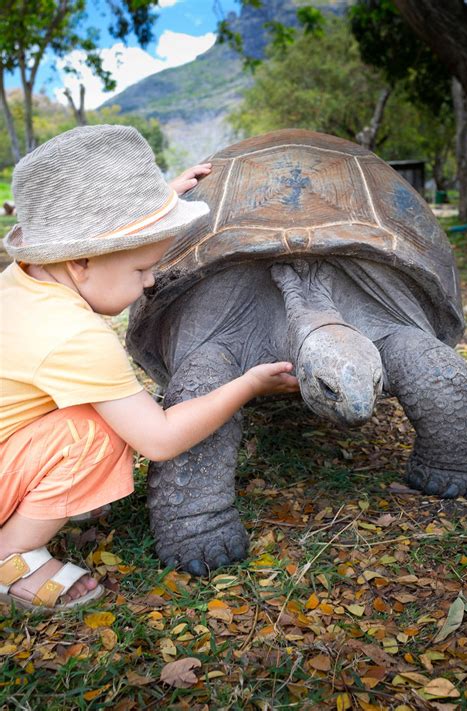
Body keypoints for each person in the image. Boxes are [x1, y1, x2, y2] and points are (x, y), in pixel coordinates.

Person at [0, 124, 299, 612]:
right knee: (97, 431)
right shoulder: (76, 335)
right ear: (80, 262)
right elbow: (159, 439)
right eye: (141, 270)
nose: (151, 282)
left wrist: (160, 201)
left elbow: (100, 236)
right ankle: (9, 553)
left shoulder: (22, 281)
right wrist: (247, 384)